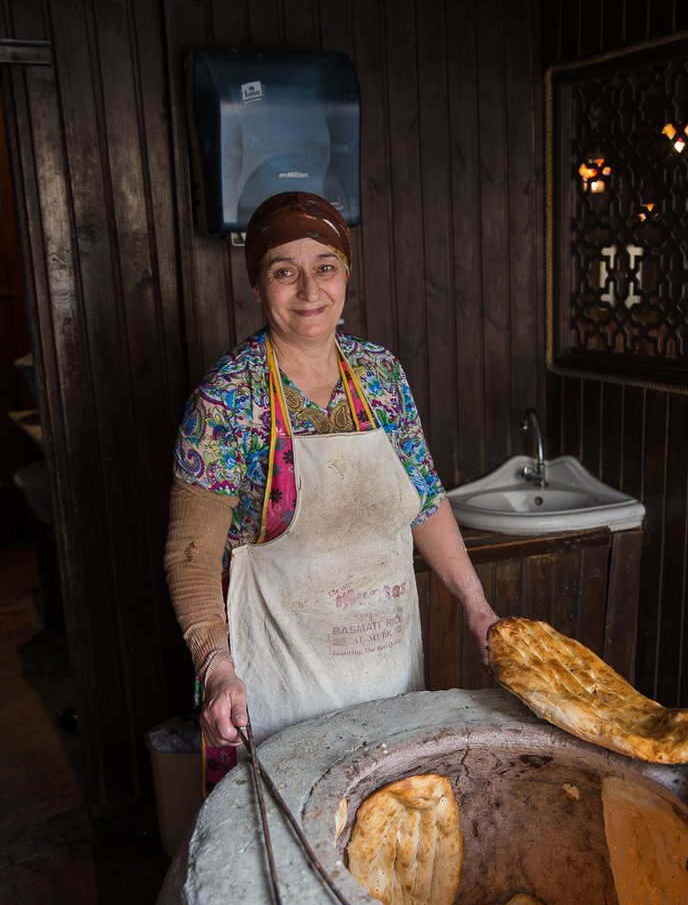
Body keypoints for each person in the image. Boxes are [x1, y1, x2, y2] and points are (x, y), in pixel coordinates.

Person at [164, 191, 498, 790]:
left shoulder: (380, 376)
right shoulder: (227, 398)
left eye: (325, 267)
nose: (309, 290)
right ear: (259, 285)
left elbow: (424, 500)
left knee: (392, 830)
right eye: (284, 271)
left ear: (346, 273)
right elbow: (190, 556)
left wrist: (476, 605)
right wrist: (216, 668)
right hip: (280, 686)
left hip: (387, 670)